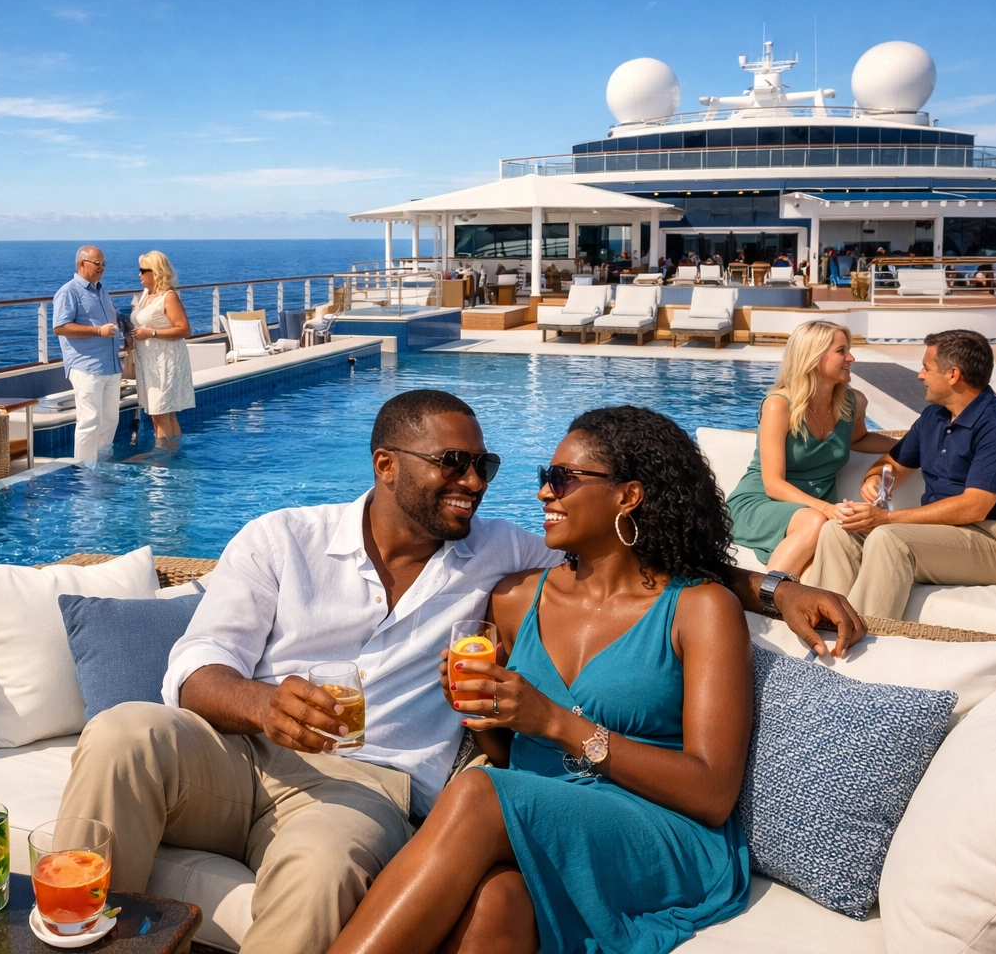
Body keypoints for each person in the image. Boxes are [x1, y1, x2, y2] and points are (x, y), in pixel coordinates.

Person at [55, 390, 864, 954]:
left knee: (327, 867)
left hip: (367, 788)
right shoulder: (284, 539)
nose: (481, 483)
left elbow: (650, 565)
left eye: (488, 464)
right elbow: (196, 666)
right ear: (386, 466)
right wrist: (265, 704)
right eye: (454, 462)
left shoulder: (499, 556)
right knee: (124, 730)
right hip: (241, 757)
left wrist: (772, 586)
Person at [329, 406, 753, 954]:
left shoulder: (700, 609)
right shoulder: (513, 599)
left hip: (660, 829)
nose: (543, 495)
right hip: (550, 817)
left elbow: (712, 792)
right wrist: (483, 715)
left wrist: (553, 721)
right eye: (543, 478)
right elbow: (515, 761)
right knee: (495, 902)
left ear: (628, 496)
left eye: (562, 479)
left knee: (478, 791)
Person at [805, 329, 996, 620]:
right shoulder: (934, 416)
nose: (920, 375)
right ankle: (823, 627)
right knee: (838, 530)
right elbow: (892, 464)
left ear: (953, 375)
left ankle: (861, 642)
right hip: (943, 534)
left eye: (926, 368)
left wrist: (887, 518)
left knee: (890, 539)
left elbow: (975, 507)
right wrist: (875, 480)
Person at [726, 321, 894, 576]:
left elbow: (858, 440)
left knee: (820, 572)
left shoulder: (853, 402)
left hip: (813, 514)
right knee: (815, 523)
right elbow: (773, 483)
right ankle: (770, 599)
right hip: (762, 503)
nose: (851, 357)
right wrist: (825, 508)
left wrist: (914, 449)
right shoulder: (779, 405)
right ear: (814, 357)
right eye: (841, 351)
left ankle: (777, 610)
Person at [52, 244, 123, 466]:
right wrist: (97, 331)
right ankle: (84, 471)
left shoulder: (101, 291)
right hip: (87, 367)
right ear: (82, 263)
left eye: (103, 264)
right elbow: (60, 327)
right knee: (90, 421)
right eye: (97, 263)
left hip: (110, 365)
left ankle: (102, 465)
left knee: (110, 419)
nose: (101, 267)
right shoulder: (69, 291)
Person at [129, 250, 194, 443]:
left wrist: (152, 333)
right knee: (161, 414)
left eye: (143, 270)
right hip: (149, 363)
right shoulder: (145, 295)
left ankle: (162, 461)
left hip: (165, 362)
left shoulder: (169, 297)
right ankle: (171, 457)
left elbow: (184, 329)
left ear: (155, 272)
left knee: (161, 413)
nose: (139, 274)